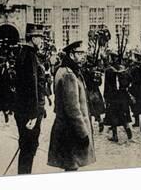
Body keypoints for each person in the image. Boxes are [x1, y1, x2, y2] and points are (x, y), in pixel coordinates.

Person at [48, 41, 96, 171]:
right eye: (79, 53)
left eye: (83, 53)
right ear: (71, 54)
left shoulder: (63, 70)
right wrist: (83, 133)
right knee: (71, 168)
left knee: (70, 167)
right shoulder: (69, 74)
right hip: (71, 131)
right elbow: (73, 109)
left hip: (65, 127)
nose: (82, 56)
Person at [13, 23, 47, 174]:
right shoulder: (30, 56)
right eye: (39, 37)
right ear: (33, 38)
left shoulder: (24, 54)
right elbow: (31, 86)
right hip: (29, 114)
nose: (41, 41)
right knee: (29, 149)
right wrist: (34, 114)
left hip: (24, 111)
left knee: (26, 149)